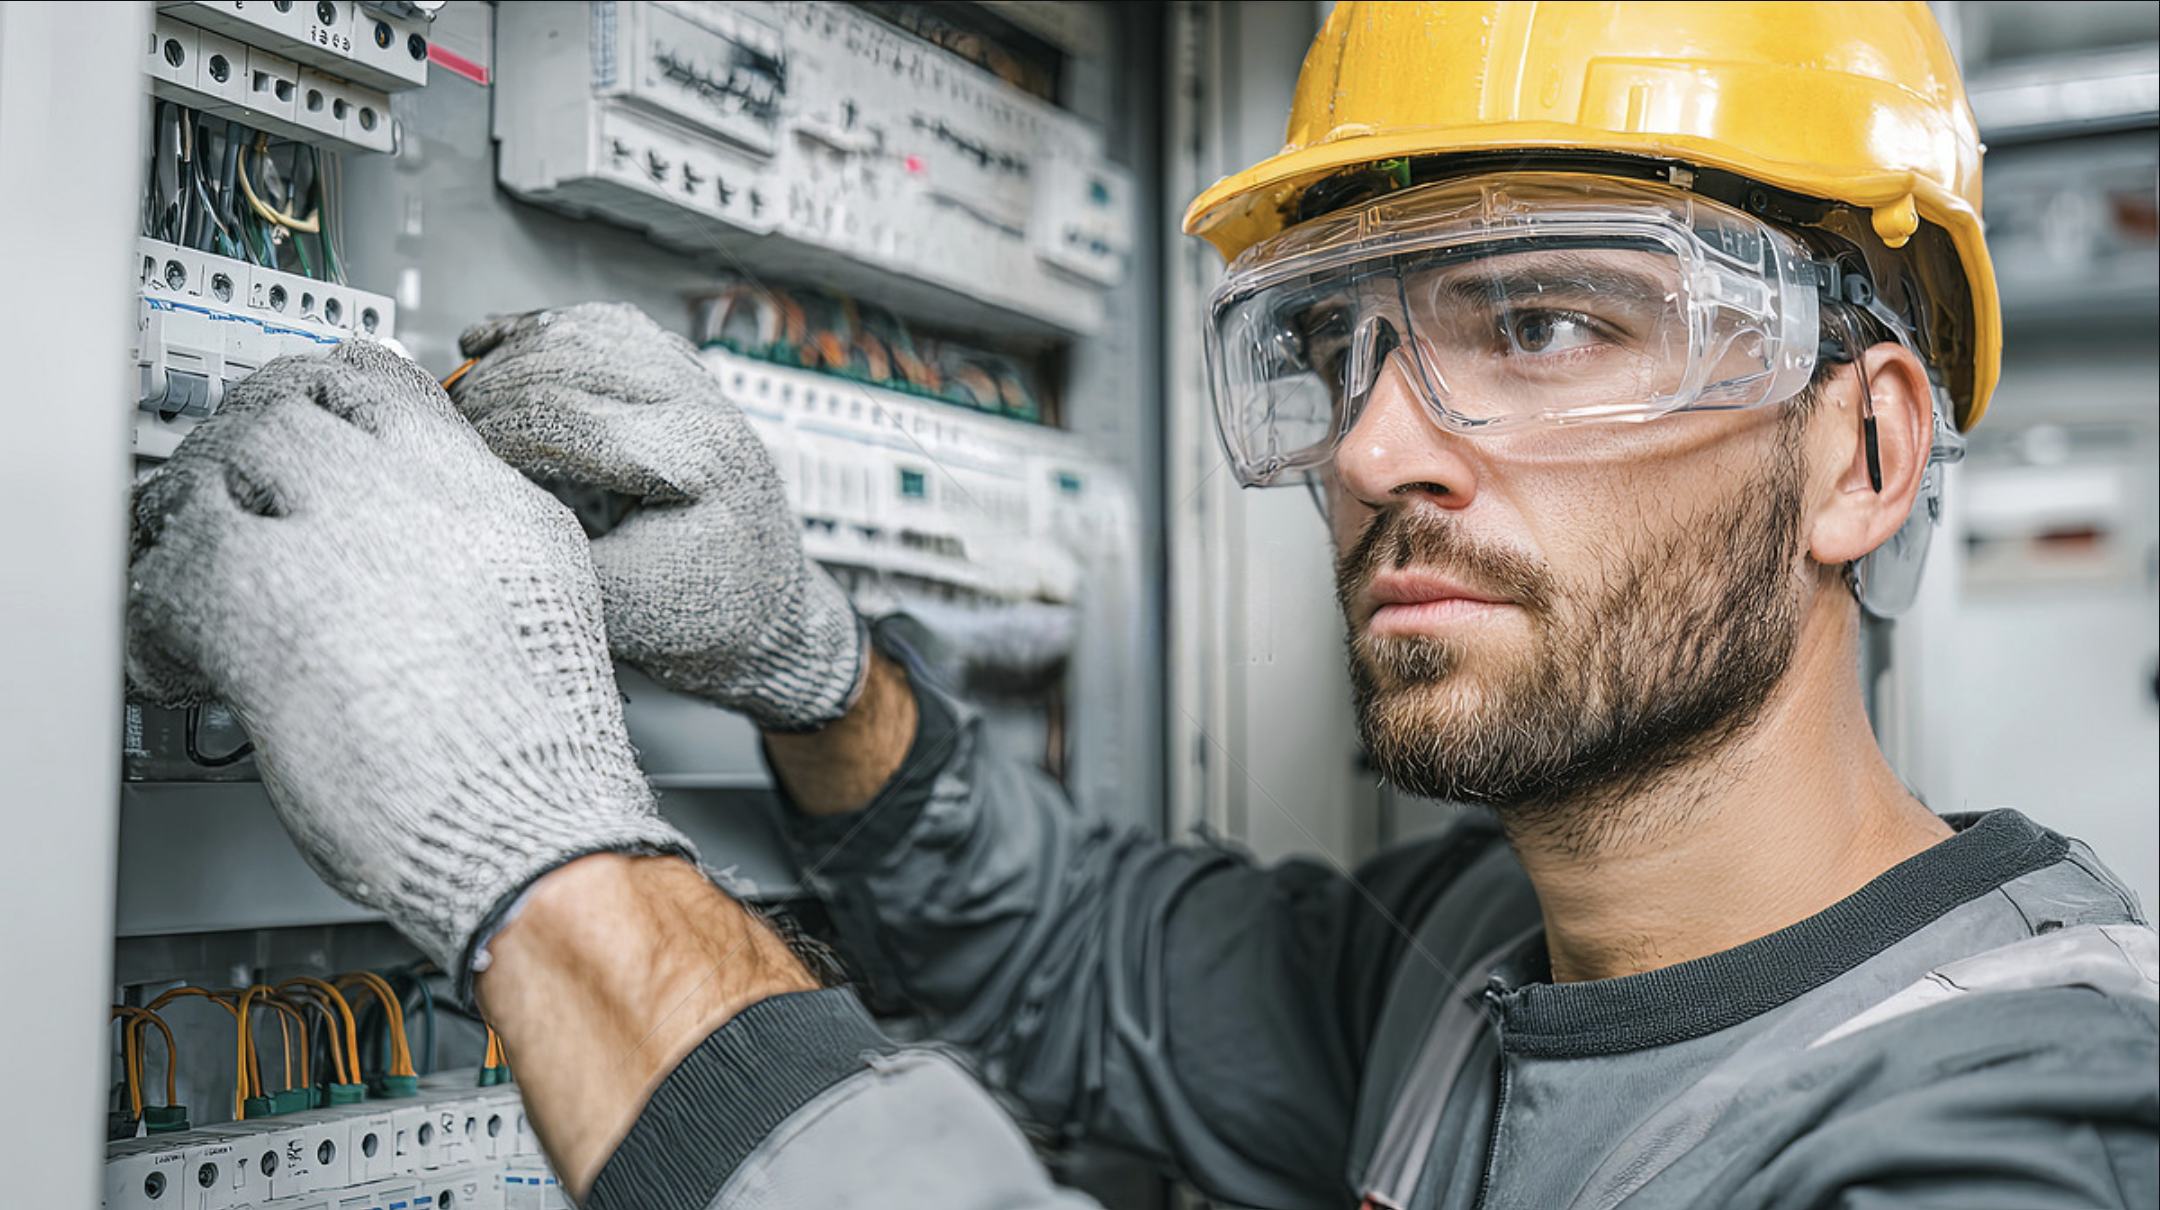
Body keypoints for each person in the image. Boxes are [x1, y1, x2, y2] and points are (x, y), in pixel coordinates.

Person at [124, 3, 2157, 1208]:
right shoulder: (1472, 964)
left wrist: (547, 859)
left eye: (1541, 322)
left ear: (1861, 451)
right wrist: (816, 670)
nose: (1376, 445)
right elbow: (1083, 954)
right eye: (1337, 345)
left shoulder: (2013, 1139)